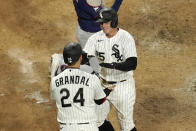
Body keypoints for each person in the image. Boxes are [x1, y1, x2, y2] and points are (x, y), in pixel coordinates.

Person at [83, 8, 138, 131]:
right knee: (96, 121)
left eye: (105, 22)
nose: (102, 25)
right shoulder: (95, 38)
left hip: (123, 86)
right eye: (101, 23)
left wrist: (112, 65)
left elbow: (132, 63)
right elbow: (84, 57)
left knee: (126, 124)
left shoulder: (125, 37)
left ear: (113, 22)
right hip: (103, 84)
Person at [50, 42, 115, 131]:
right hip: (88, 127)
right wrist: (108, 90)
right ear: (80, 58)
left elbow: (56, 97)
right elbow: (100, 100)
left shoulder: (54, 81)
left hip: (66, 127)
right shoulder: (91, 77)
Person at [73, 0, 123, 73]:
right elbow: (109, 16)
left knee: (91, 57)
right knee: (98, 69)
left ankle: (86, 59)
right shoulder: (90, 5)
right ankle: (62, 65)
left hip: (84, 31)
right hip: (89, 37)